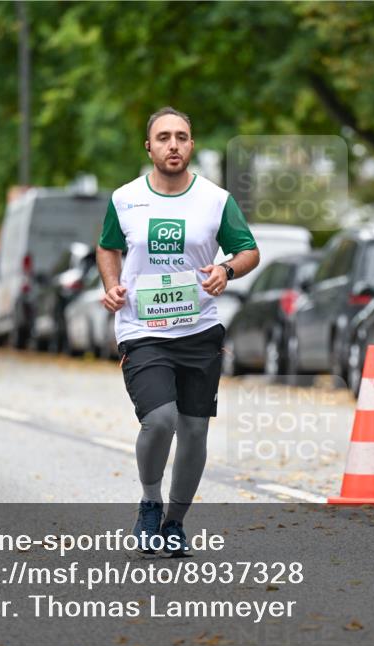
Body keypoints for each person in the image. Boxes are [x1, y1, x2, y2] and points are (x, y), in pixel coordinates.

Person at [97, 108, 259, 556]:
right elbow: (108, 246)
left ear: (192, 145)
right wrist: (111, 285)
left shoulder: (215, 199)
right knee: (160, 420)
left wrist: (226, 270)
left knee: (193, 431)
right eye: (163, 137)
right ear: (148, 146)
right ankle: (150, 501)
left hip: (199, 329)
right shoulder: (125, 199)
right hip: (141, 329)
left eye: (182, 137)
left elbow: (248, 250)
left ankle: (174, 522)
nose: (173, 144)